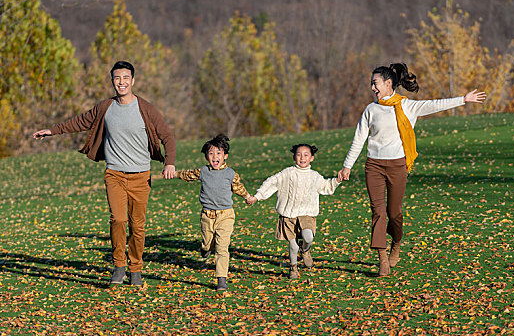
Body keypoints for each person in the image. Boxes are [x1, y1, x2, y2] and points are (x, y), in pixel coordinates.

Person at [33, 61, 176, 286]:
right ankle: (119, 266)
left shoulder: (146, 109)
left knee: (137, 225)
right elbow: (80, 121)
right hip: (115, 174)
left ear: (133, 81)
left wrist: (169, 163)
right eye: (117, 78)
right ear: (112, 81)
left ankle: (136, 268)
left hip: (141, 176)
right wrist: (52, 131)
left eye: (126, 78)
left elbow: (167, 136)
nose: (122, 82)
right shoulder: (106, 107)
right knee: (118, 220)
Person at [337, 63, 486, 276]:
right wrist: (347, 166)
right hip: (374, 166)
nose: (372, 88)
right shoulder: (371, 110)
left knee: (394, 213)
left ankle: (396, 243)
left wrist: (463, 99)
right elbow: (358, 139)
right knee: (377, 212)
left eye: (375, 83)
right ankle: (382, 258)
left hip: (397, 165)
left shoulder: (408, 106)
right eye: (371, 84)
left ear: (388, 84)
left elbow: (436, 104)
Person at [173, 134, 254, 291]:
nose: (215, 156)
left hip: (226, 215)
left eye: (218, 153)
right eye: (211, 153)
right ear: (206, 157)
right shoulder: (203, 171)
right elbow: (188, 175)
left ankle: (221, 278)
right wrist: (174, 173)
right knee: (207, 243)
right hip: (207, 215)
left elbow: (238, 187)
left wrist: (248, 196)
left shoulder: (230, 174)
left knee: (222, 247)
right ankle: (205, 249)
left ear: (225, 156)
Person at [247, 144, 341, 279]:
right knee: (293, 245)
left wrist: (337, 180)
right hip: (288, 215)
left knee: (308, 237)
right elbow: (271, 182)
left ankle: (306, 250)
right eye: (298, 154)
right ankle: (293, 268)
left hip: (307, 213)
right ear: (294, 157)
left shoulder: (315, 176)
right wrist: (257, 196)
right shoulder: (287, 173)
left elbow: (326, 187)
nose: (302, 158)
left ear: (312, 158)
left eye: (306, 155)